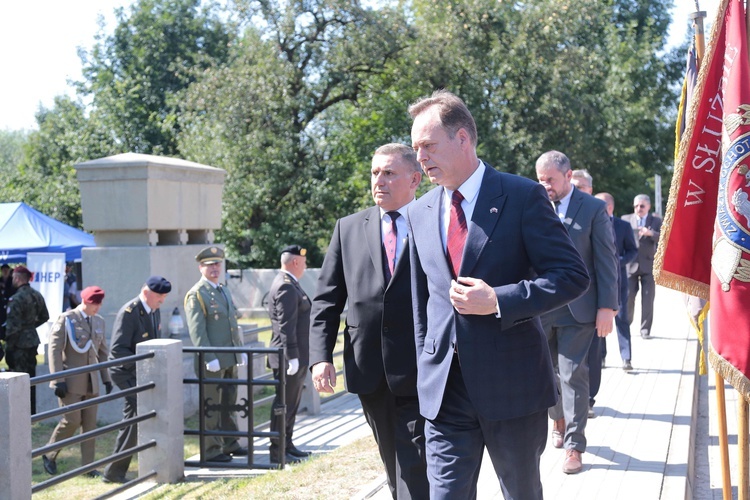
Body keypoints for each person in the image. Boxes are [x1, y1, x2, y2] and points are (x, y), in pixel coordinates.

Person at [408, 90, 589, 499]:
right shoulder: (419, 212)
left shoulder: (522, 196)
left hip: (512, 387)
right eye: (416, 148)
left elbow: (571, 275)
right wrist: (425, 363)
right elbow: (423, 301)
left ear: (462, 139)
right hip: (444, 392)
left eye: (429, 146)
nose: (420, 157)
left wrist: (500, 300)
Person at [310, 143, 429, 498]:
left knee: (417, 458)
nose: (380, 180)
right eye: (375, 172)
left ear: (415, 180)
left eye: (390, 173)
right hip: (369, 368)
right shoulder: (348, 228)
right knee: (391, 456)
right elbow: (328, 299)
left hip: (424, 366)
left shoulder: (435, 221)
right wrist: (320, 358)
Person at [536, 151, 619, 475]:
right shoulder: (534, 204)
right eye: (540, 180)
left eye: (550, 180)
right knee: (546, 374)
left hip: (580, 309)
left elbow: (606, 261)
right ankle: (557, 418)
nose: (545, 186)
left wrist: (606, 308)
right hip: (542, 308)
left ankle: (574, 445)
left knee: (573, 374)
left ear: (568, 176)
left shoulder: (594, 209)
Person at [103, 276, 171, 483]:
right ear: (146, 292)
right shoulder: (129, 312)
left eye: (164, 297)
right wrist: (141, 367)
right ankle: (115, 472)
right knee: (137, 415)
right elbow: (118, 350)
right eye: (159, 296)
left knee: (134, 419)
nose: (162, 301)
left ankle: (116, 471)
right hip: (125, 372)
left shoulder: (153, 309)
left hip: (142, 372)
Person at [184, 247, 248, 463]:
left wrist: (239, 352)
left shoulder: (223, 290)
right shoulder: (197, 294)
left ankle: (230, 442)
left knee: (229, 402)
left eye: (217, 264)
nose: (215, 268)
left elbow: (232, 324)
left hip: (228, 357)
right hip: (211, 360)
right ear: (200, 267)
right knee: (211, 406)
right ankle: (211, 450)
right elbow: (197, 331)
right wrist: (209, 356)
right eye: (210, 265)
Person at [42, 286, 113, 477]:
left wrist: (106, 378)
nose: (97, 307)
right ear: (85, 301)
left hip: (92, 382)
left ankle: (88, 468)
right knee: (72, 421)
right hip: (70, 382)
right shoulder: (67, 319)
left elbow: (103, 352)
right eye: (93, 304)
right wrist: (57, 379)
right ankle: (49, 454)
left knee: (89, 425)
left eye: (99, 304)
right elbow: (54, 350)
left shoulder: (99, 321)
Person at [267, 244, 312, 464]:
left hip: (295, 355)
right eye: (303, 262)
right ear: (295, 262)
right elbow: (286, 326)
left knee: (291, 403)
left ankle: (287, 444)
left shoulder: (291, 284)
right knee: (283, 403)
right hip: (288, 357)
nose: (305, 266)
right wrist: (292, 356)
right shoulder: (285, 286)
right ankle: (277, 451)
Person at [595, 192, 638, 371]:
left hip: (619, 281)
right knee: (599, 319)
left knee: (621, 319)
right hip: (597, 282)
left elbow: (632, 250)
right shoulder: (592, 223)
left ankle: (626, 358)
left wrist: (617, 262)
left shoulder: (623, 226)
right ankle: (602, 357)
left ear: (610, 206)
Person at [4, 265, 49, 414]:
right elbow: (45, 316)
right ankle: (32, 410)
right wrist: (30, 327)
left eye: (13, 278)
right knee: (31, 377)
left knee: (17, 378)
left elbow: (13, 327)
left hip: (18, 345)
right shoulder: (36, 295)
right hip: (32, 341)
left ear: (17, 278)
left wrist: (8, 347)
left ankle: (19, 411)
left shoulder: (16, 299)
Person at [622, 194, 662, 339]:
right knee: (627, 298)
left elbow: (664, 237)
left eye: (642, 206)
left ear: (648, 207)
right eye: (636, 206)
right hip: (630, 265)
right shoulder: (626, 219)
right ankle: (626, 325)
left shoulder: (656, 221)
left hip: (648, 265)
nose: (639, 208)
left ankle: (645, 330)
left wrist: (651, 233)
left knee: (647, 299)